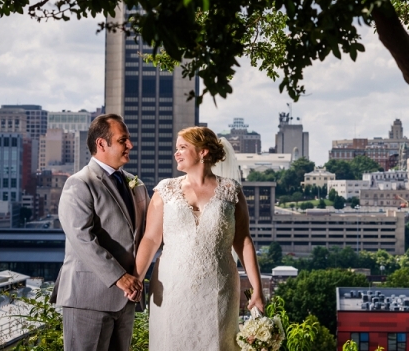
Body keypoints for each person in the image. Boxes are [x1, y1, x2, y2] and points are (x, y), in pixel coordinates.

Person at [135, 127, 264, 351]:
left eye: (183, 147)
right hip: (171, 287)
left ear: (203, 152)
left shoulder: (231, 191)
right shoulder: (165, 190)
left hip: (218, 287)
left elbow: (243, 241)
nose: (176, 153)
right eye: (176, 148)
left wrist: (257, 289)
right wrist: (136, 279)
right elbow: (150, 239)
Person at [52, 114, 150, 351]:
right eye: (123, 140)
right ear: (101, 144)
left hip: (126, 300)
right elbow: (82, 239)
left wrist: (135, 279)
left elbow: (146, 237)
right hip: (87, 299)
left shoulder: (137, 186)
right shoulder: (79, 183)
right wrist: (120, 277)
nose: (130, 145)